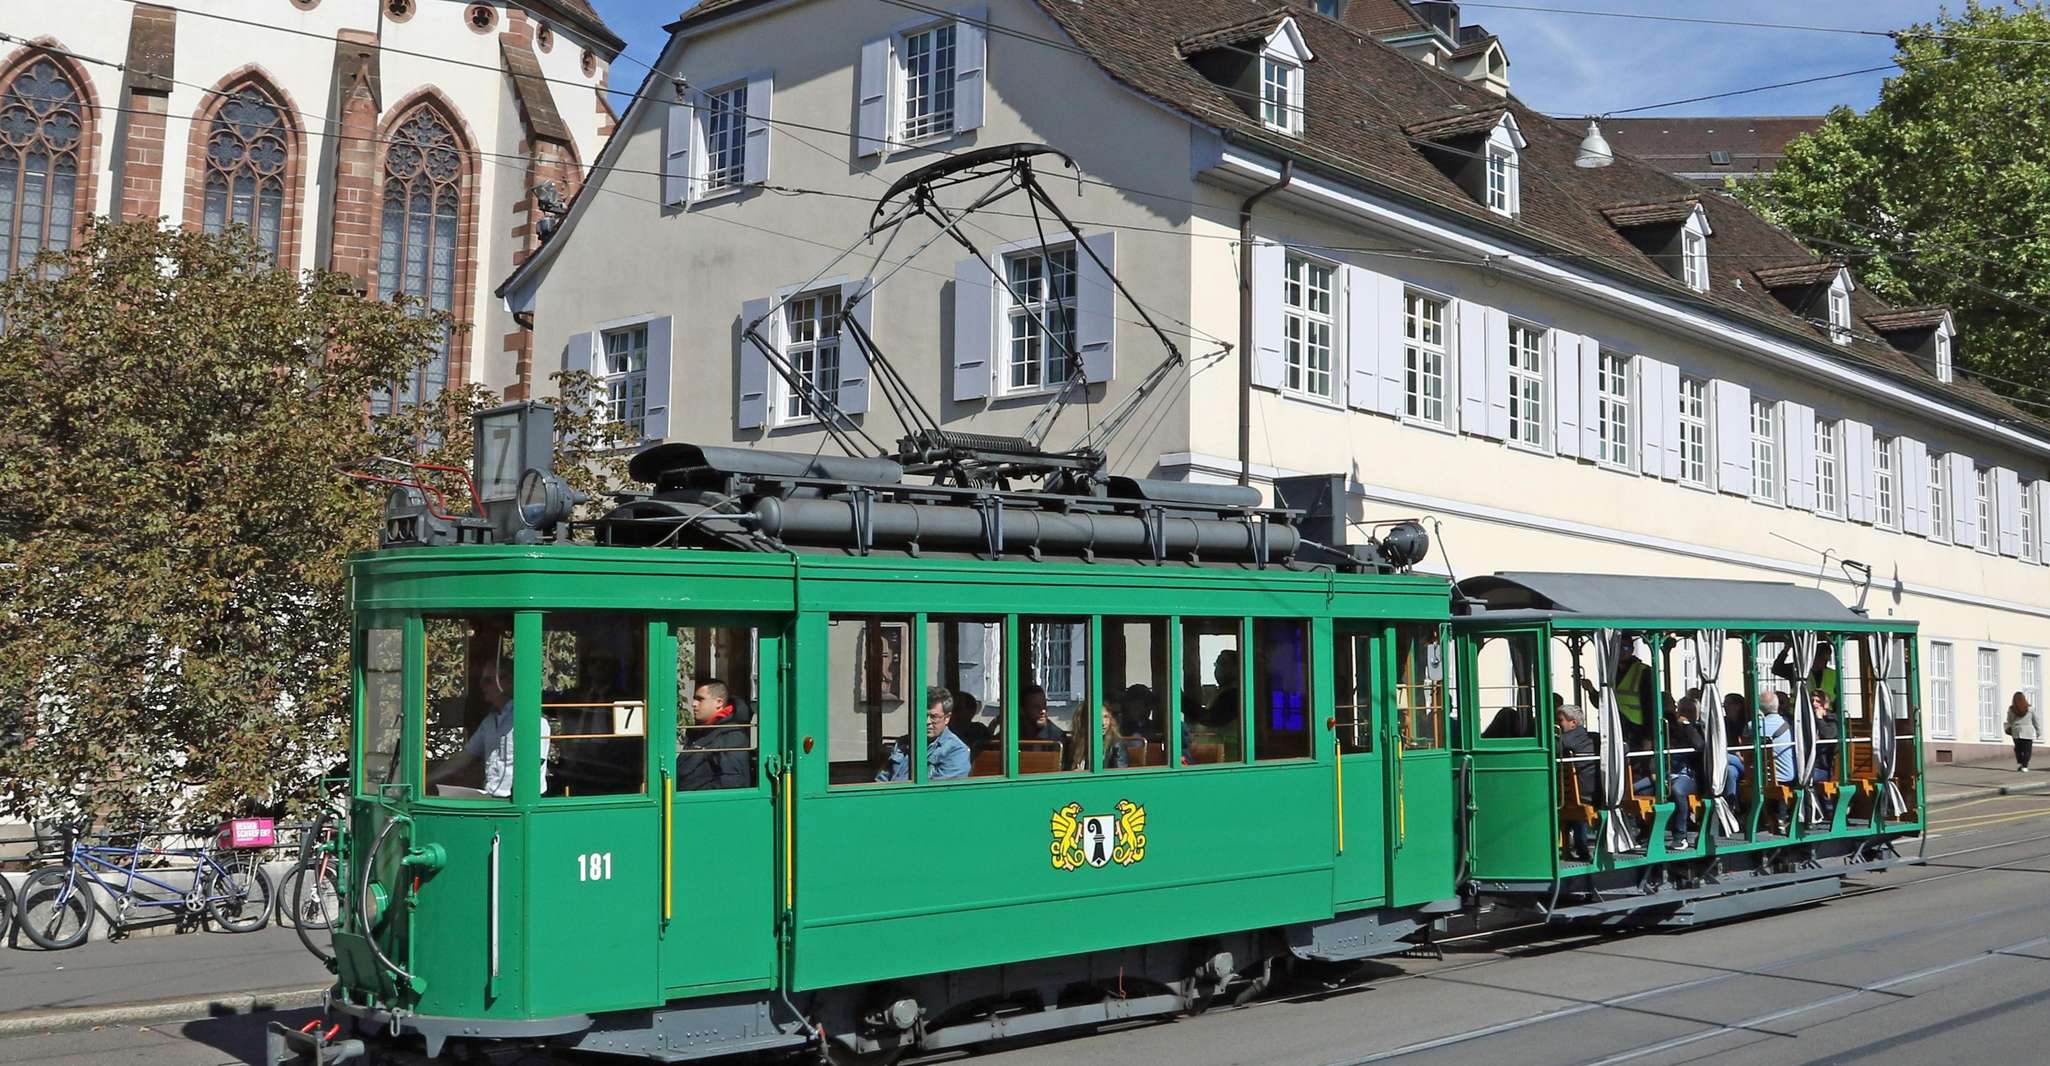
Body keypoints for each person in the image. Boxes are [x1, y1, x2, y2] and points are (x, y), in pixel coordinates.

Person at [431, 658, 550, 798]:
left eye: (487, 681)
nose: (482, 687)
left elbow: (533, 766)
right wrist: (426, 780)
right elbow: (465, 756)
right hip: (491, 799)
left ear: (508, 682)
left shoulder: (532, 720)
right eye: (481, 681)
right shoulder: (490, 721)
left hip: (515, 803)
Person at [877, 687, 970, 782]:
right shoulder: (904, 743)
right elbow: (882, 780)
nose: (927, 722)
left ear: (947, 718)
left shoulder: (956, 751)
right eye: (923, 715)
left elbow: (937, 792)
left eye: (934, 717)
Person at [677, 679, 754, 791]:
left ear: (719, 702)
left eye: (700, 699)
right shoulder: (700, 731)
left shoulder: (731, 735)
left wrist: (692, 797)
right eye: (694, 699)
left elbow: (733, 783)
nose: (693, 704)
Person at [1556, 705, 1599, 860]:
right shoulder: (1592, 737)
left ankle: (1566, 846)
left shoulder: (1564, 741)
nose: (1557, 724)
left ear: (1573, 723)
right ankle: (1581, 848)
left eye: (1560, 720)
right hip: (1590, 793)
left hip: (1580, 794)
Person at [1758, 691, 1796, 833]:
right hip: (1786, 775)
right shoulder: (1791, 724)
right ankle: (1781, 818)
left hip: (1764, 777)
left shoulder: (1754, 726)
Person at [2006, 691, 2043, 772]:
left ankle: (2020, 763)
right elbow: (2035, 720)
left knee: (2018, 748)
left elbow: (2009, 720)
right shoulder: (2030, 708)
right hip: (2028, 731)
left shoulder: (2012, 709)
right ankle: (2025, 766)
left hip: (2016, 731)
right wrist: (2038, 731)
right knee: (2027, 749)